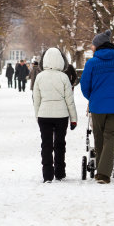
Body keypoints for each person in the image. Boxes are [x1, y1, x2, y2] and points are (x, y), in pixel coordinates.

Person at [80, 29, 114, 184]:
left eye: (93, 45)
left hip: (97, 106)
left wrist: (92, 97)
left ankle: (102, 172)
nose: (92, 47)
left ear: (98, 46)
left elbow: (84, 85)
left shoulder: (91, 63)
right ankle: (103, 173)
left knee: (98, 136)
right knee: (111, 137)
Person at [33, 48, 78, 183]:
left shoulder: (39, 77)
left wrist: (37, 116)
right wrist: (73, 119)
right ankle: (60, 172)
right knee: (60, 144)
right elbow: (70, 100)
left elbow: (36, 99)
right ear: (61, 60)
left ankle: (47, 174)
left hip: (44, 115)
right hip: (61, 116)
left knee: (46, 144)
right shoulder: (64, 77)